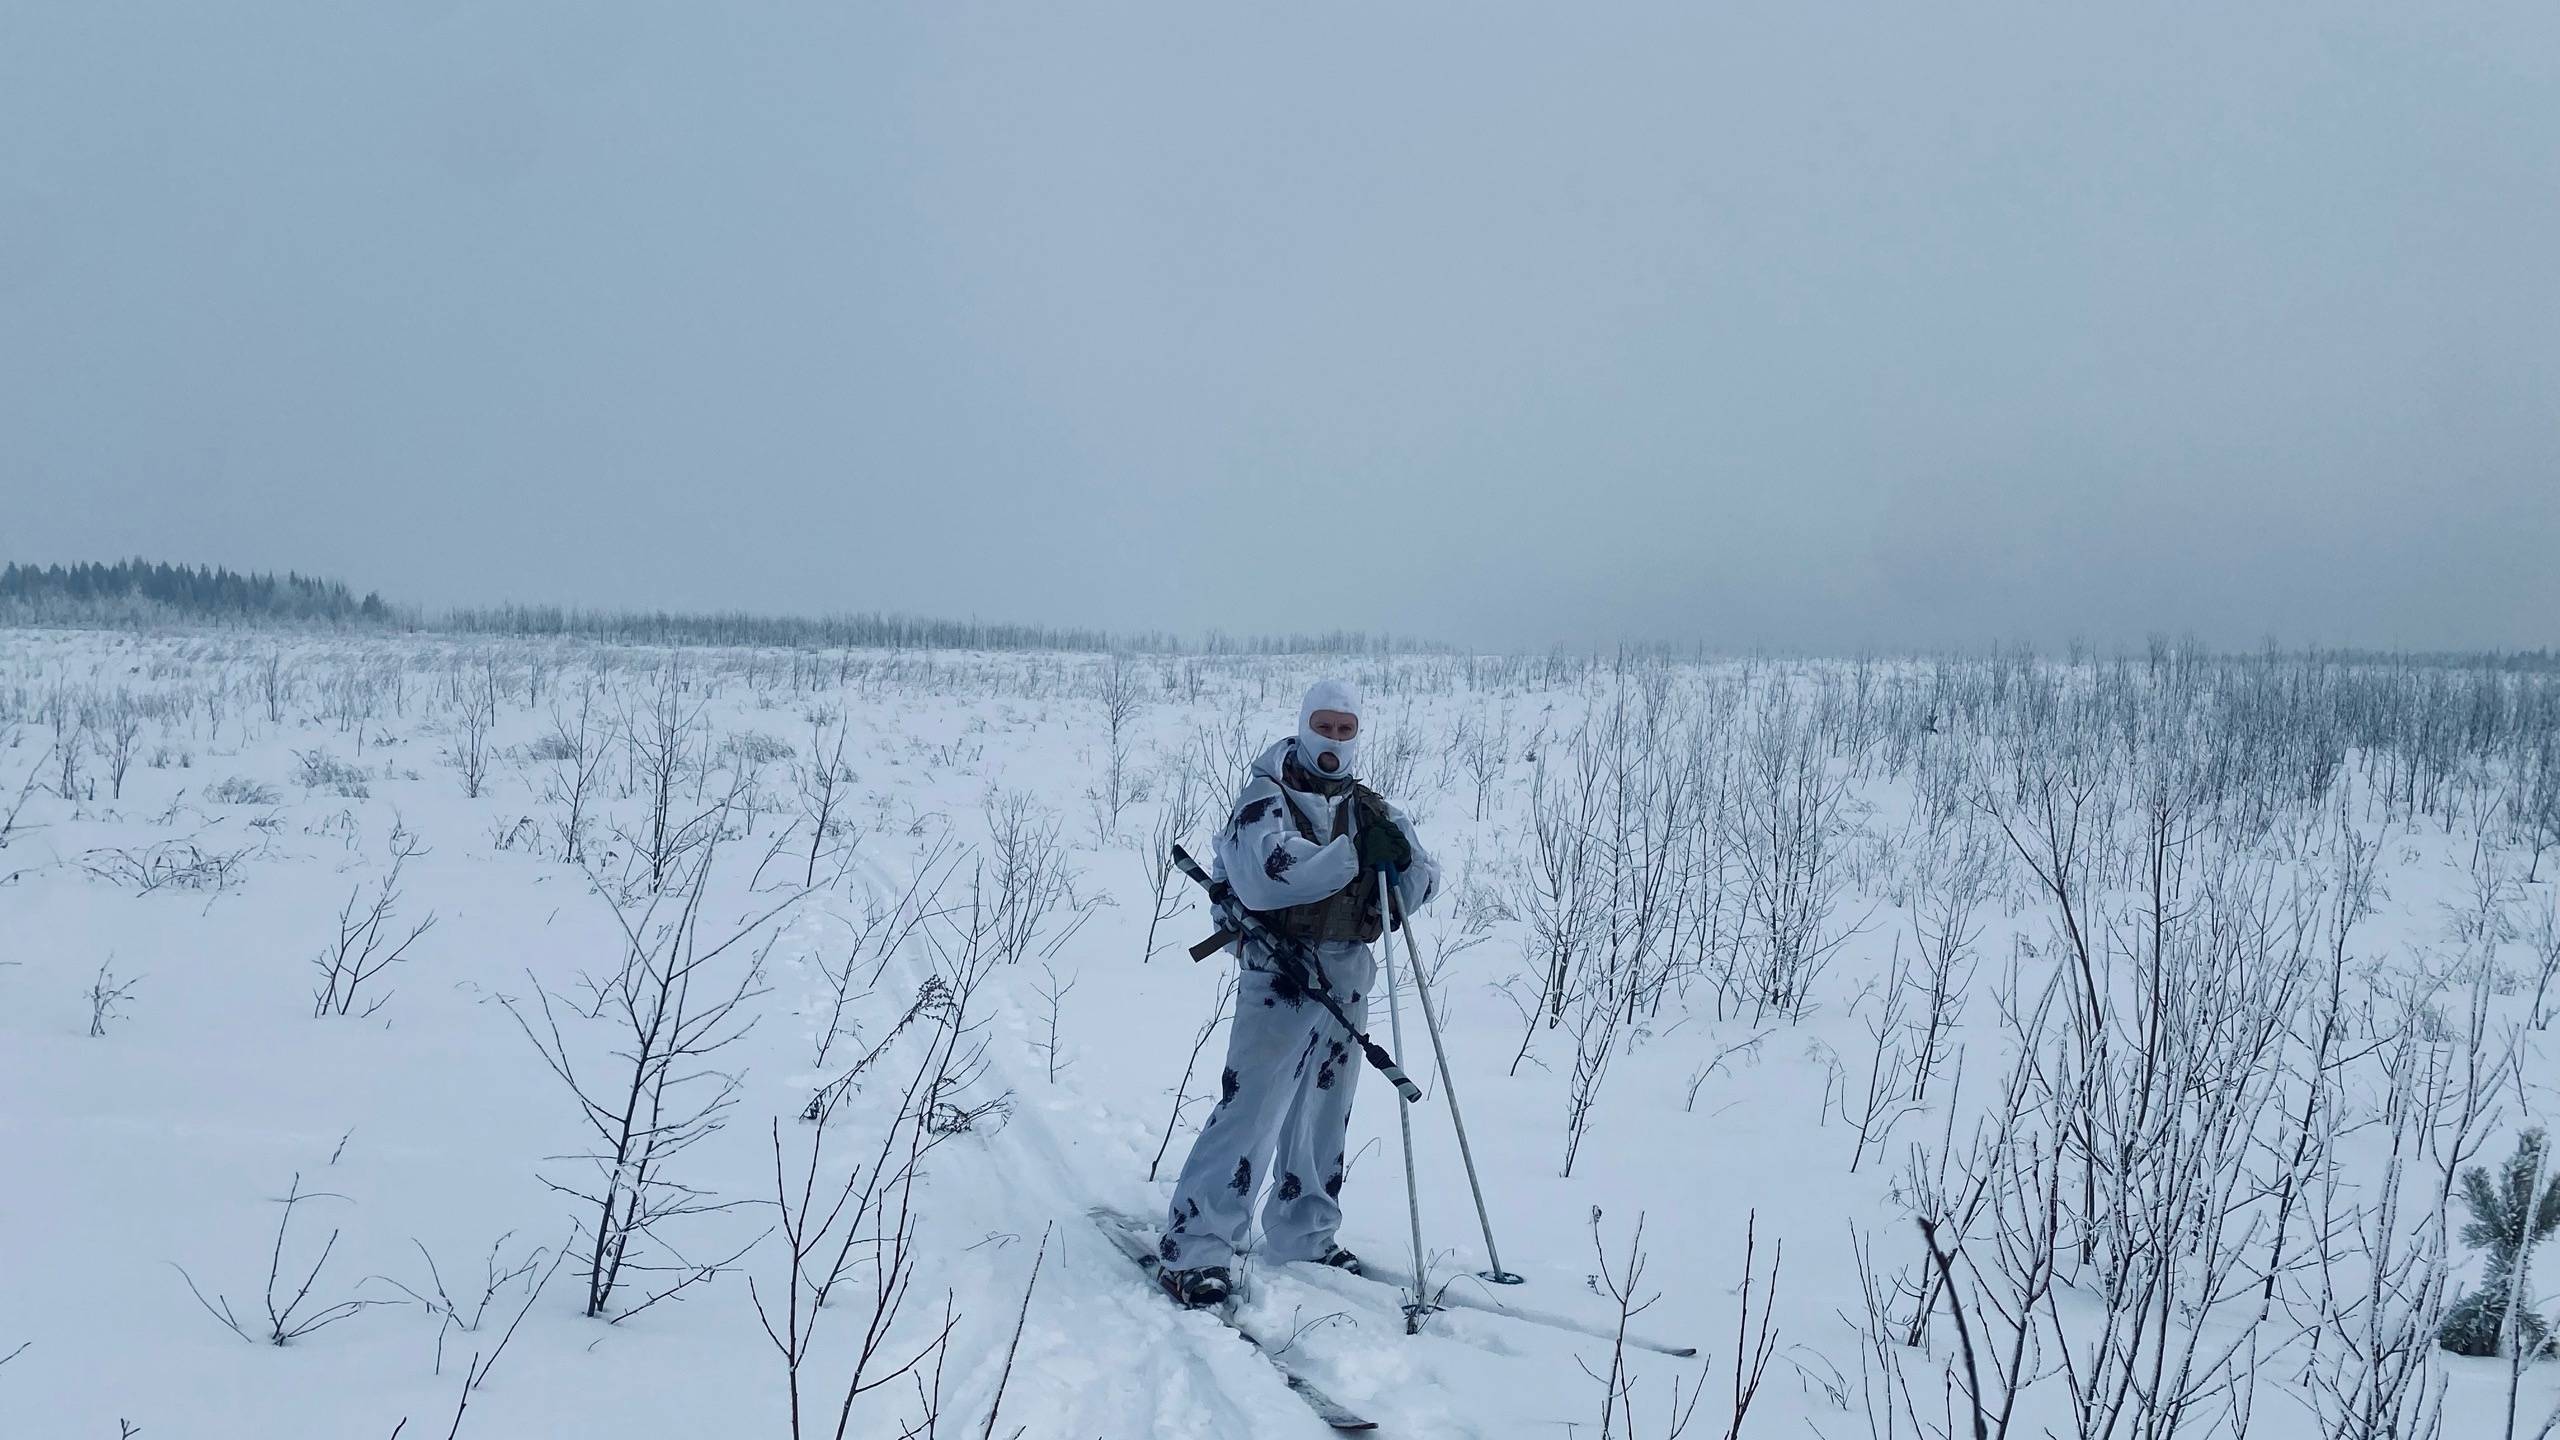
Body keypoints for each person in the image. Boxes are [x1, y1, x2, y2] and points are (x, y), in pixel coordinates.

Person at [1157, 678, 1440, 1307]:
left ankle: (1304, 1231)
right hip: (1277, 970)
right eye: (1325, 726)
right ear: (1305, 725)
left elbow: (1419, 881)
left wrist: (1398, 867)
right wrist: (1350, 857)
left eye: (1345, 729)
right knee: (1252, 1106)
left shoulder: (1371, 807)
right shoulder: (1266, 795)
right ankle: (1195, 1245)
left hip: (1347, 965)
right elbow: (1267, 879)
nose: (1334, 740)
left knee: (1324, 1106)